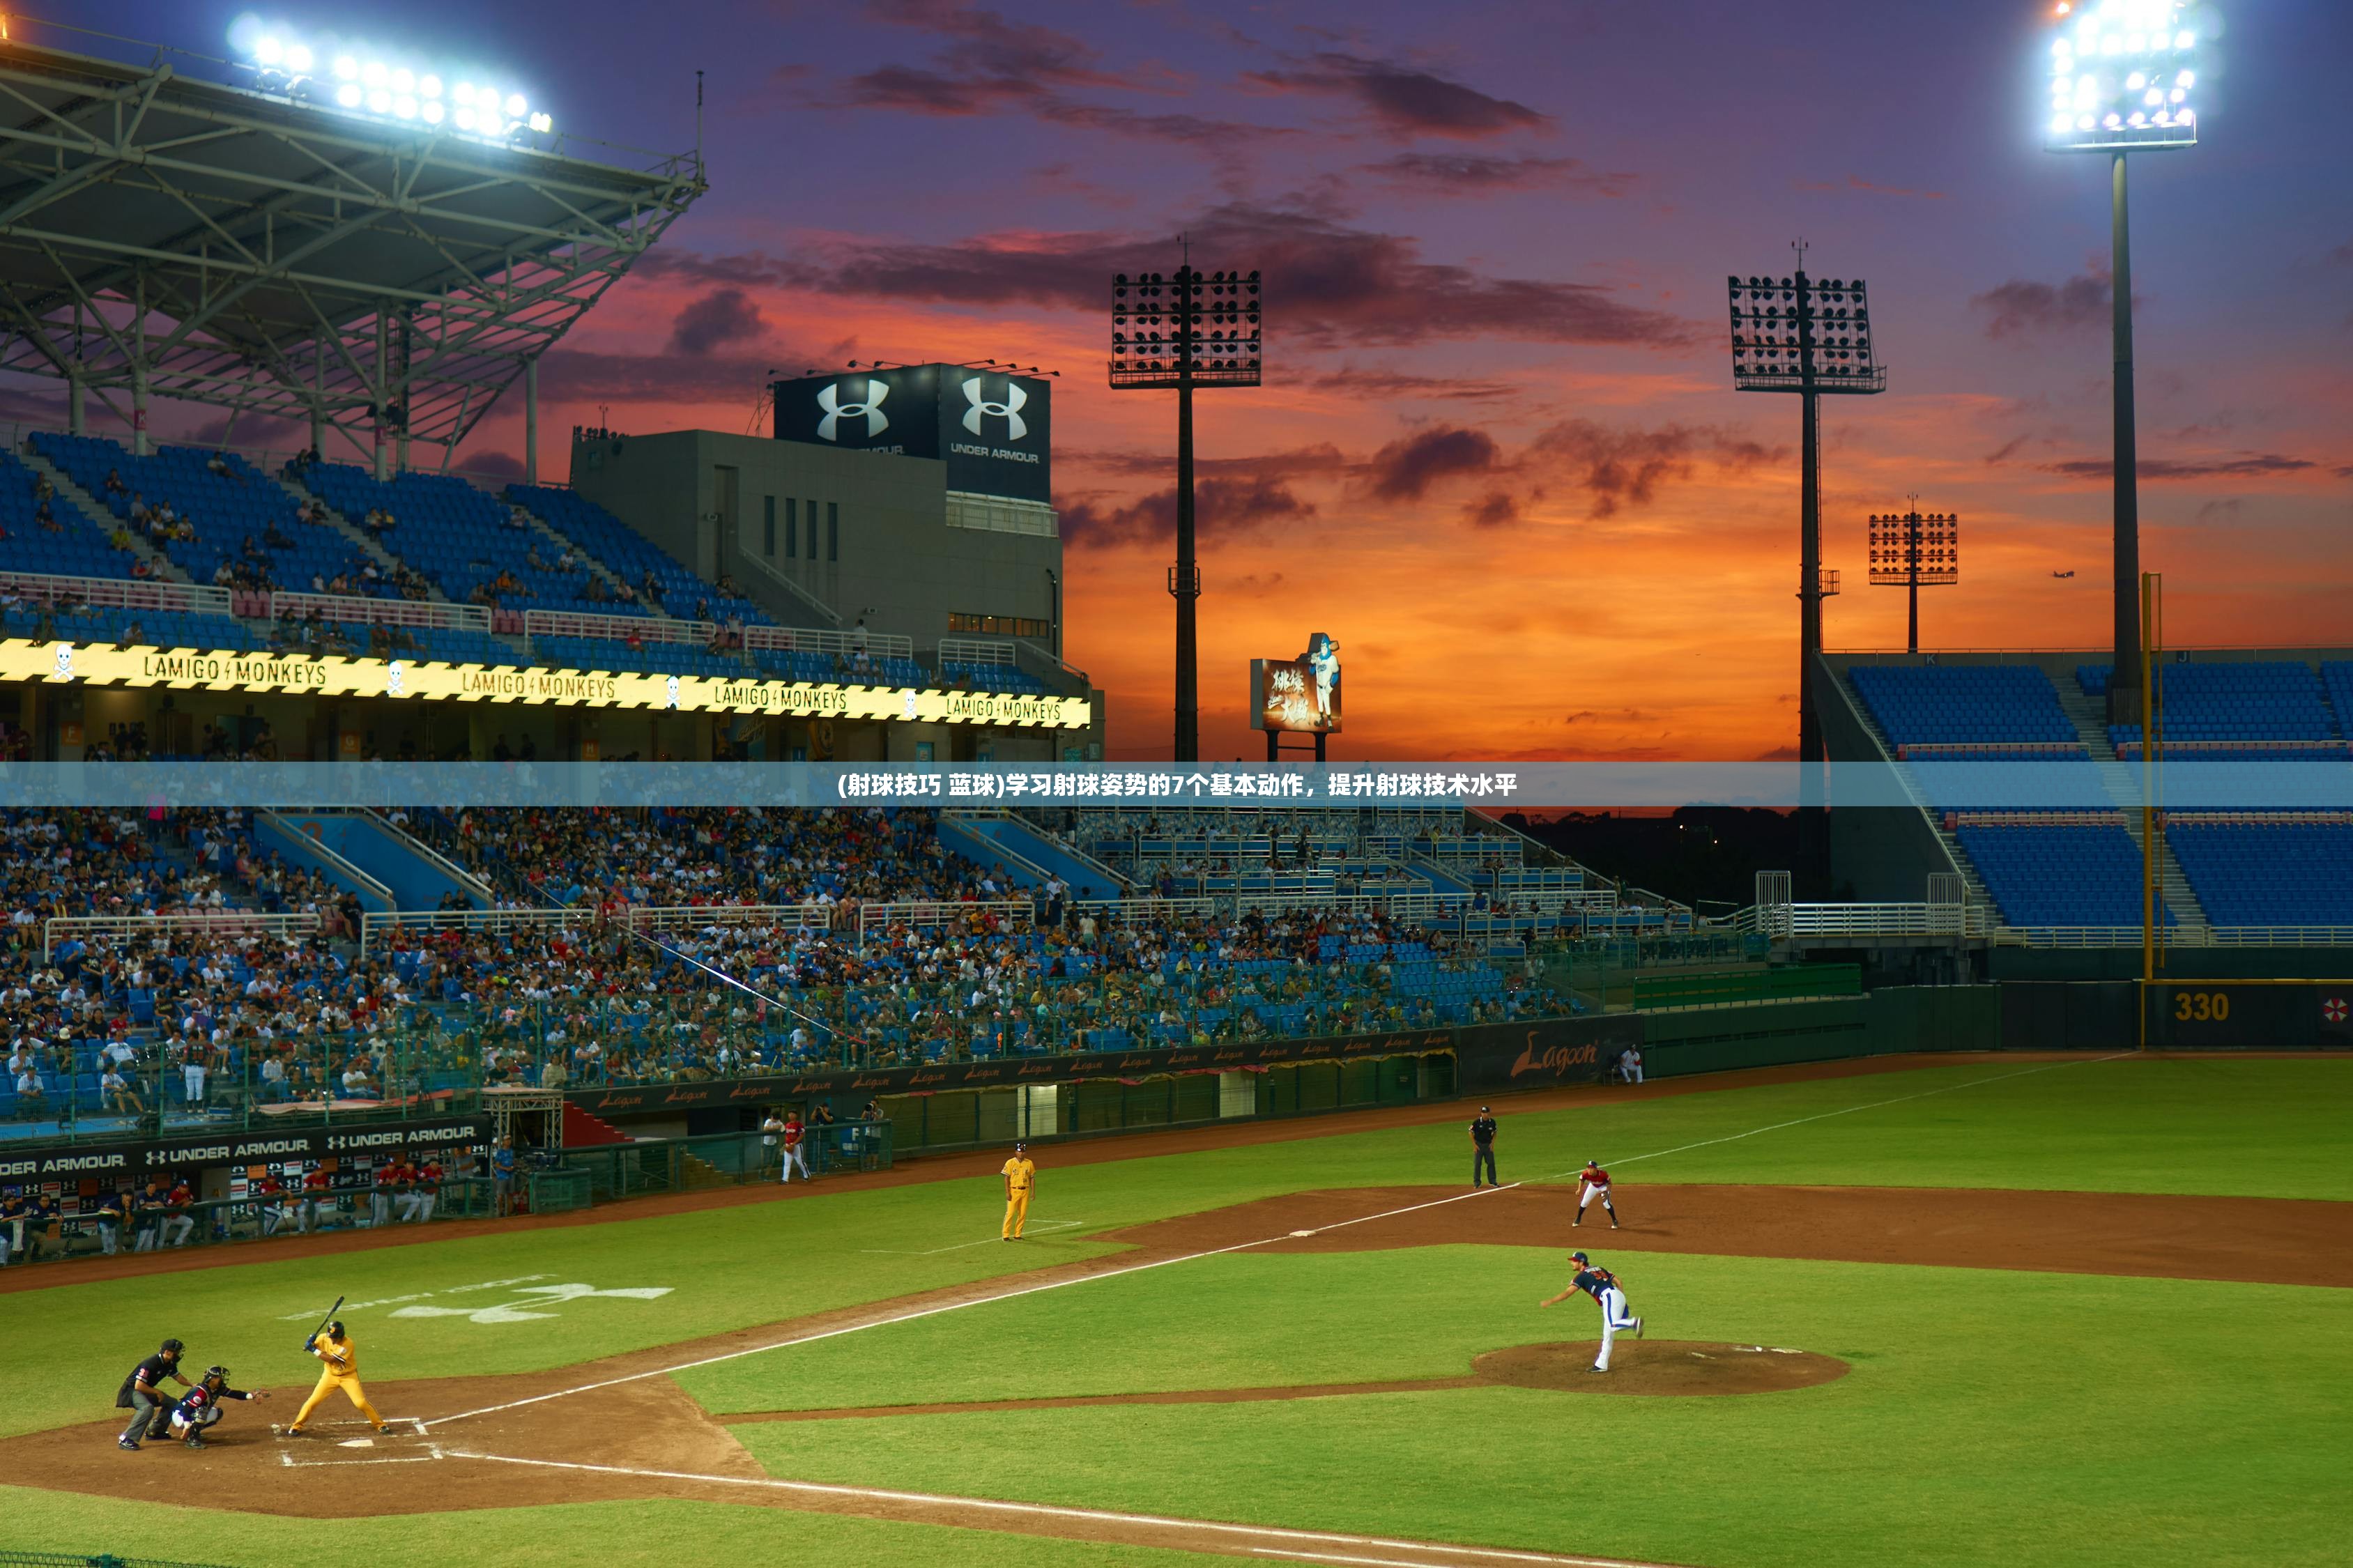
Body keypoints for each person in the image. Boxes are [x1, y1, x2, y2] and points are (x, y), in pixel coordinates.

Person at [1539, 1250, 1642, 1374]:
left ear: (1582, 1262)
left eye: (1574, 1261)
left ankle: (1633, 1323)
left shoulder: (1581, 1276)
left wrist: (1550, 1301)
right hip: (1617, 1295)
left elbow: (1567, 1293)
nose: (1572, 1264)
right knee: (1608, 1334)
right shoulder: (1599, 1268)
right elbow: (1619, 1282)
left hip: (1609, 1297)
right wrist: (1621, 1300)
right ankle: (1601, 1365)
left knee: (1613, 1326)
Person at [286, 1320, 385, 1436]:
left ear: (341, 1336)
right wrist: (310, 1341)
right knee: (312, 1402)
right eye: (331, 1337)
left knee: (360, 1403)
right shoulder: (324, 1338)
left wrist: (313, 1349)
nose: (333, 1340)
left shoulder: (348, 1344)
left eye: (335, 1338)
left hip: (349, 1377)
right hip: (329, 1376)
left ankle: (380, 1425)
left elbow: (332, 1360)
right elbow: (312, 1345)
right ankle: (297, 1426)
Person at [116, 1337, 194, 1450]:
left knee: (172, 1403)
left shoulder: (169, 1363)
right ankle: (126, 1438)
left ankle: (155, 1431)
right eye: (176, 1352)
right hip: (131, 1391)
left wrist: (192, 1385)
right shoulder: (150, 1363)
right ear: (167, 1352)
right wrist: (157, 1392)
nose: (178, 1355)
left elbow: (178, 1377)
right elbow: (138, 1386)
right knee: (147, 1408)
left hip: (145, 1390)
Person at [167, 1365, 270, 1449]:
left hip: (190, 1413)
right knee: (202, 1411)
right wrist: (187, 1427)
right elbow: (187, 1408)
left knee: (217, 1413)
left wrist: (252, 1396)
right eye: (220, 1377)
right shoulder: (201, 1392)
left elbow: (234, 1394)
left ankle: (195, 1433)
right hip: (180, 1416)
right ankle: (192, 1439)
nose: (222, 1379)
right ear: (213, 1379)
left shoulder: (217, 1388)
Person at [1573, 1158, 1623, 1230]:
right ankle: (1578, 1218)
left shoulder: (1603, 1174)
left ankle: (1615, 1220)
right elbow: (1582, 1179)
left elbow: (1610, 1184)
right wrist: (1579, 1189)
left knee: (1606, 1203)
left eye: (1591, 1168)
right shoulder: (1585, 1173)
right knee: (1584, 1202)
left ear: (1596, 1169)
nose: (1589, 1170)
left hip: (1604, 1187)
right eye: (1588, 1168)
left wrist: (1606, 1192)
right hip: (1593, 1186)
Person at [1000, 1140, 1035, 1240]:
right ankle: (1006, 1235)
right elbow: (1006, 1178)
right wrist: (1007, 1192)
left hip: (1025, 1191)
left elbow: (1032, 1177)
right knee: (1010, 1213)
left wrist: (1033, 1192)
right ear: (1016, 1152)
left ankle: (1018, 1234)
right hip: (1014, 1191)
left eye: (1023, 1151)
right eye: (1019, 1151)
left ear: (1025, 1152)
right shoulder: (1010, 1163)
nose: (1021, 1153)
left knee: (1023, 1214)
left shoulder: (1029, 1163)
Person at [1469, 1105, 1499, 1188]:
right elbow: (1470, 1132)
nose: (1484, 1114)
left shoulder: (1492, 1122)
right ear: (1481, 1113)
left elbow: (1495, 1132)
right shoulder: (1476, 1122)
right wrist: (1474, 1145)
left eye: (1486, 1113)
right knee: (1477, 1164)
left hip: (1488, 1146)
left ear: (1489, 1113)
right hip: (1479, 1146)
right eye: (1483, 1113)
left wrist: (1492, 1143)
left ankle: (1493, 1181)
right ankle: (1477, 1183)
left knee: (1491, 1163)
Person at [781, 1109, 810, 1183]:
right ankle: (785, 1179)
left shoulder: (798, 1124)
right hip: (788, 1146)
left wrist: (794, 1143)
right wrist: (786, 1144)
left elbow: (802, 1135)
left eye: (793, 1114)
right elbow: (786, 1135)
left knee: (800, 1162)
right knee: (787, 1163)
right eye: (790, 1114)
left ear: (796, 1115)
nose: (791, 1115)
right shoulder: (787, 1125)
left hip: (797, 1146)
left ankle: (807, 1175)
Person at [762, 1109, 785, 1181]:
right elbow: (765, 1129)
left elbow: (783, 1129)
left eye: (777, 1120)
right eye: (774, 1119)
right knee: (766, 1161)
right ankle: (762, 1173)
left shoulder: (778, 1122)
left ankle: (767, 1176)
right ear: (772, 1117)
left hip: (774, 1144)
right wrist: (775, 1128)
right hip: (767, 1144)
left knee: (771, 1162)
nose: (775, 1121)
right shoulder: (768, 1121)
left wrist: (782, 1128)